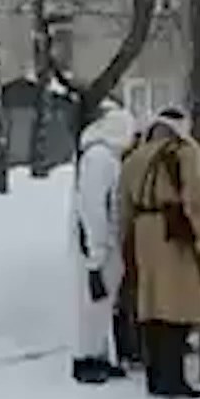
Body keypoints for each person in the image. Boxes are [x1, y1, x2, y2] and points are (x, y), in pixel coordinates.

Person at [119, 110, 200, 399]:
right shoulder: (184, 153)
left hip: (143, 233)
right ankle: (173, 379)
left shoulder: (133, 159)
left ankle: (155, 376)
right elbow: (197, 196)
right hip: (173, 232)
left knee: (152, 308)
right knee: (177, 307)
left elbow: (122, 208)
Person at [70, 106, 137, 384]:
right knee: (93, 303)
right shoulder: (100, 159)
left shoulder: (105, 157)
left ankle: (99, 354)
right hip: (100, 245)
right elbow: (94, 206)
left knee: (102, 303)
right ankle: (86, 357)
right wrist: (97, 250)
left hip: (106, 243)